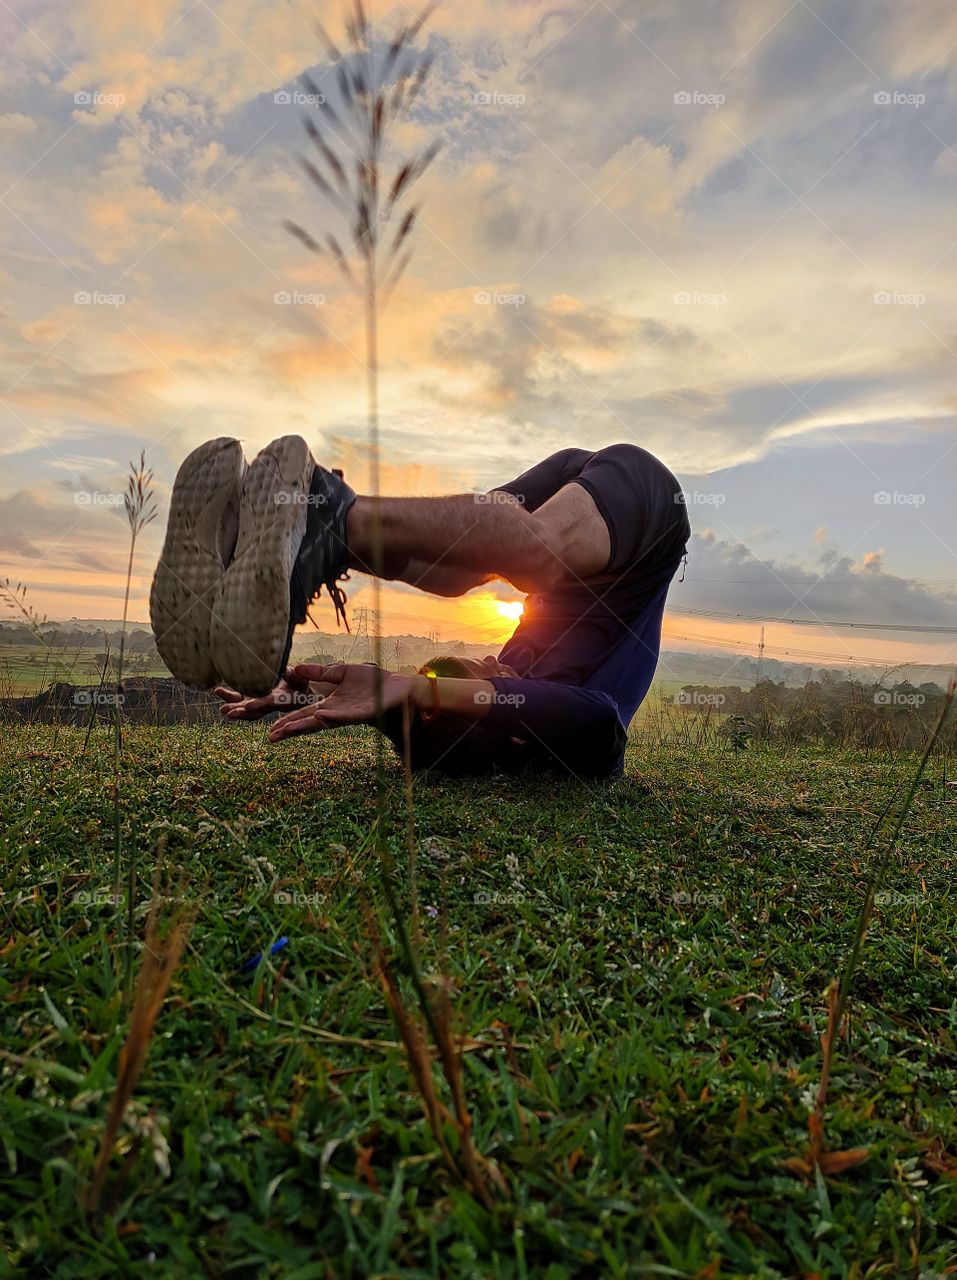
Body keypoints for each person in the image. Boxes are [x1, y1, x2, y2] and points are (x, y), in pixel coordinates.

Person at [150, 437, 690, 779]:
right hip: (649, 520)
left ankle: (289, 542)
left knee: (456, 574)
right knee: (537, 552)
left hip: (579, 496)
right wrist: (424, 689)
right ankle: (331, 520)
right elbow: (599, 721)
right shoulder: (580, 738)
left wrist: (313, 686)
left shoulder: (503, 725)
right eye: (474, 685)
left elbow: (433, 727)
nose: (482, 666)